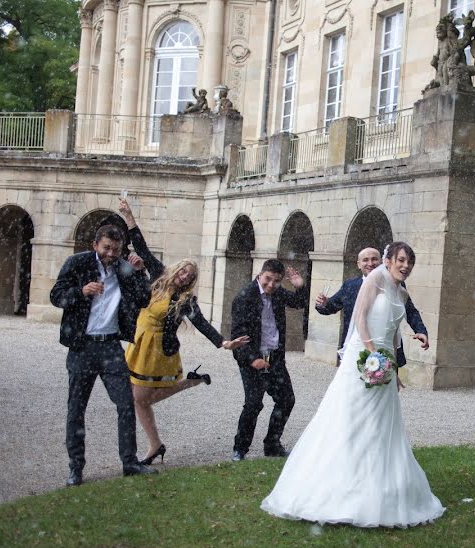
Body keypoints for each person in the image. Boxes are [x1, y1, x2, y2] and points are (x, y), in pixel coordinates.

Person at [262, 243, 445, 527]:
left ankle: (381, 487)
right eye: (401, 260)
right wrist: (372, 352)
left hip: (384, 362)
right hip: (362, 356)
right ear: (388, 260)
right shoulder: (375, 280)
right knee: (350, 418)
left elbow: (395, 332)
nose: (405, 266)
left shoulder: (402, 291)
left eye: (410, 262)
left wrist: (397, 362)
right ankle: (337, 487)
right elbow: (360, 317)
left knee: (381, 425)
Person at [117, 198, 249, 465]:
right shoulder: (158, 275)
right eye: (184, 271)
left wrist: (223, 342)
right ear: (177, 269)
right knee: (140, 399)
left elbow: (200, 322)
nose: (186, 276)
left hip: (158, 350)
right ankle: (158, 439)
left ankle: (159, 436)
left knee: (139, 399)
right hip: (139, 343)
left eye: (190, 276)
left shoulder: (185, 301)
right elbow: (140, 246)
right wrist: (130, 218)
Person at [50, 224, 156, 486]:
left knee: (125, 404)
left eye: (115, 249)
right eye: (106, 248)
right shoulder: (77, 263)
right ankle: (76, 467)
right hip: (82, 346)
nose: (110, 253)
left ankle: (129, 462)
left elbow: (144, 299)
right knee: (76, 408)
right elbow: (56, 296)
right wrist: (81, 292)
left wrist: (141, 272)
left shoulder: (124, 268)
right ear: (96, 244)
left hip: (110, 345)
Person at [231, 259, 308, 460]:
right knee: (253, 403)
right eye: (268, 279)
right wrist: (251, 358)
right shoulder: (244, 297)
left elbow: (299, 303)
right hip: (253, 358)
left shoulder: (279, 293)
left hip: (274, 357)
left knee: (286, 399)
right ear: (260, 274)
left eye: (276, 281)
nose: (271, 285)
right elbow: (237, 335)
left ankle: (272, 444)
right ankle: (240, 448)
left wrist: (300, 286)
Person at [315, 247, 428, 373]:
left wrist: (421, 330)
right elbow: (331, 307)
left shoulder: (397, 285)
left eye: (374, 259)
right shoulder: (350, 286)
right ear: (358, 264)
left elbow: (410, 311)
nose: (370, 263)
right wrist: (323, 304)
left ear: (382, 261)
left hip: (386, 348)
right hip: (357, 347)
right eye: (365, 260)